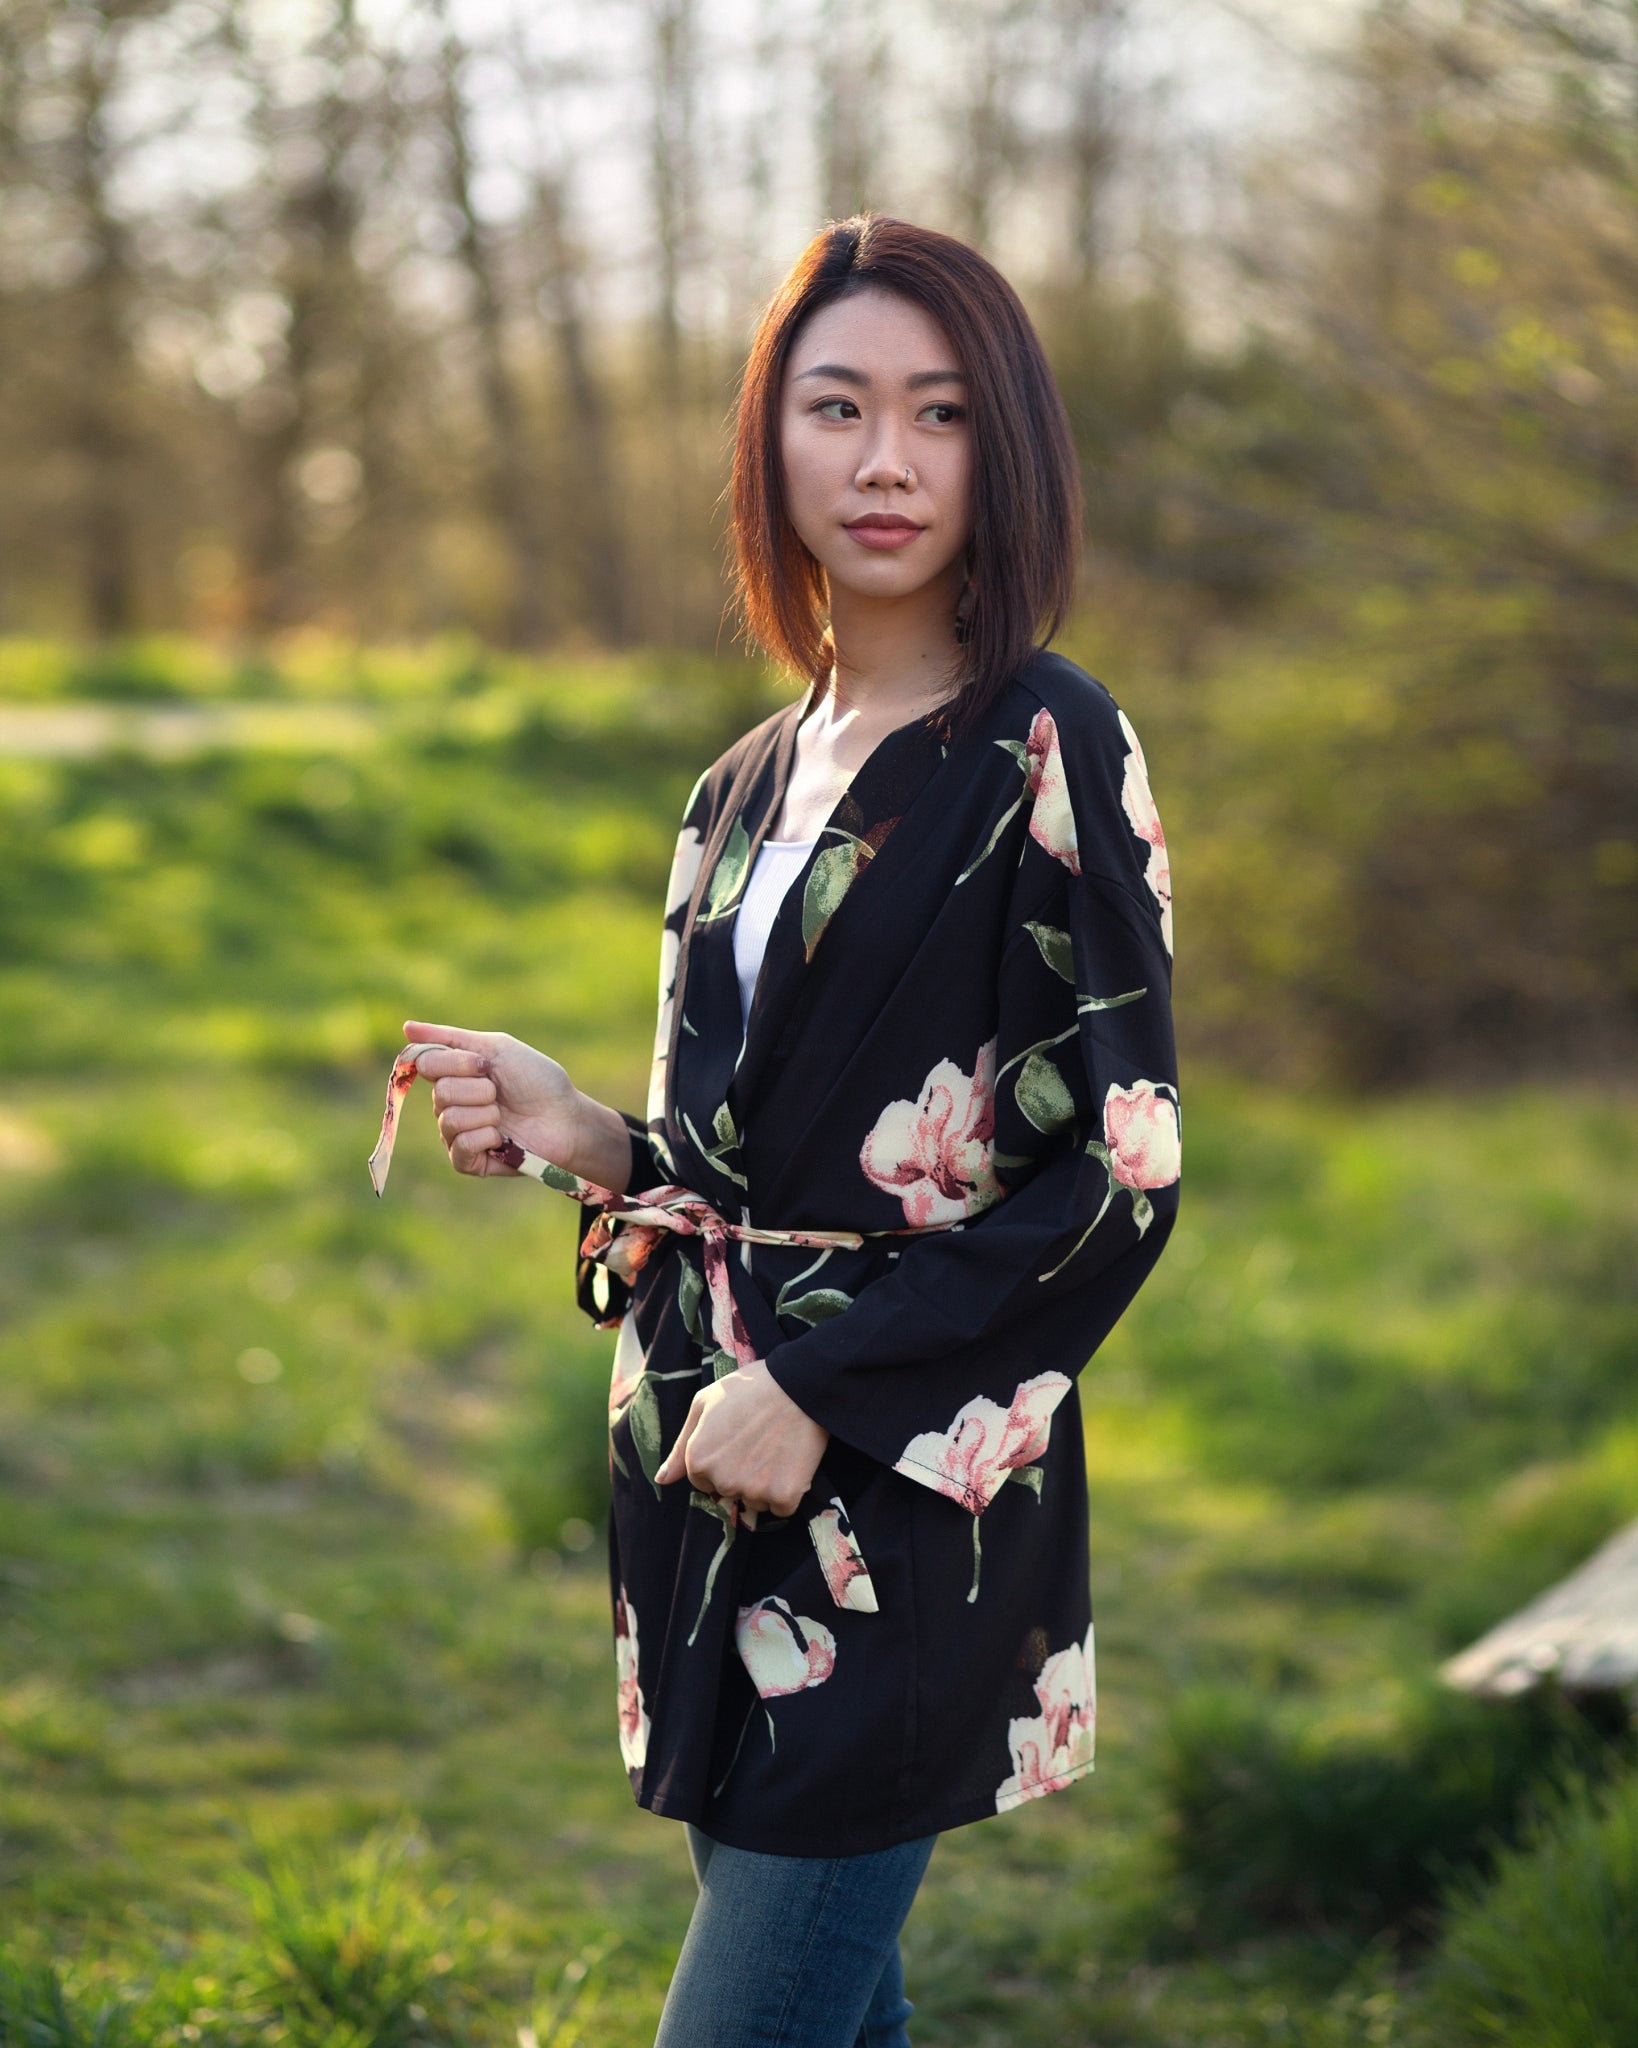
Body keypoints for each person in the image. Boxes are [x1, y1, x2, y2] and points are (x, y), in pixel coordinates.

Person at [402, 214, 1179, 2048]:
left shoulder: (1046, 746)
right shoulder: (741, 783)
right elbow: (740, 1164)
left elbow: (1121, 1167)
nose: (886, 459)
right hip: (702, 1480)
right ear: (771, 444)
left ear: (1007, 451)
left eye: (938, 413)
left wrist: (830, 1389)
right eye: (837, 407)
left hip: (898, 1501)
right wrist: (585, 1131)